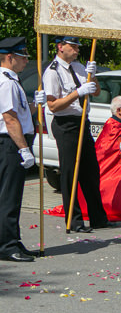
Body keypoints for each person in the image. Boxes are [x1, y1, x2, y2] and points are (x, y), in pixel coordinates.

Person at [43, 36, 111, 233]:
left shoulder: (80, 68)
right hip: (66, 123)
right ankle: (74, 220)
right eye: (72, 46)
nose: (76, 50)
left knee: (91, 171)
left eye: (77, 46)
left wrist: (93, 76)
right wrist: (78, 93)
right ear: (60, 46)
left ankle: (98, 218)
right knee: (70, 173)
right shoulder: (53, 72)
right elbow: (53, 105)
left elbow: (96, 92)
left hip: (83, 122)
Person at [0, 37, 39, 261]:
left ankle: (12, 240)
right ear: (9, 57)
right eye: (22, 56)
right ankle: (7, 246)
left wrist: (35, 105)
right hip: (10, 143)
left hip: (12, 141)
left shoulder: (12, 80)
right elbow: (9, 118)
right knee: (9, 197)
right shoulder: (6, 82)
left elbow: (21, 114)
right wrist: (24, 149)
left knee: (11, 196)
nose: (26, 60)